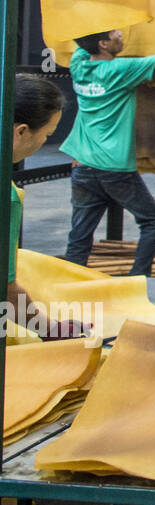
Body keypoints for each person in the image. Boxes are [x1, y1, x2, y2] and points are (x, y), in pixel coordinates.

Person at [62, 25, 155, 276]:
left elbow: (82, 38)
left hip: (83, 166)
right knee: (150, 222)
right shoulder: (119, 71)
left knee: (80, 234)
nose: (120, 33)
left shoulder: (79, 66)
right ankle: (137, 279)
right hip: (114, 169)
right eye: (114, 32)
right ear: (103, 44)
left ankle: (71, 286)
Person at [6, 74, 84, 339]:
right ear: (21, 132)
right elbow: (6, 292)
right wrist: (50, 329)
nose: (43, 143)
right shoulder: (8, 198)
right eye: (47, 134)